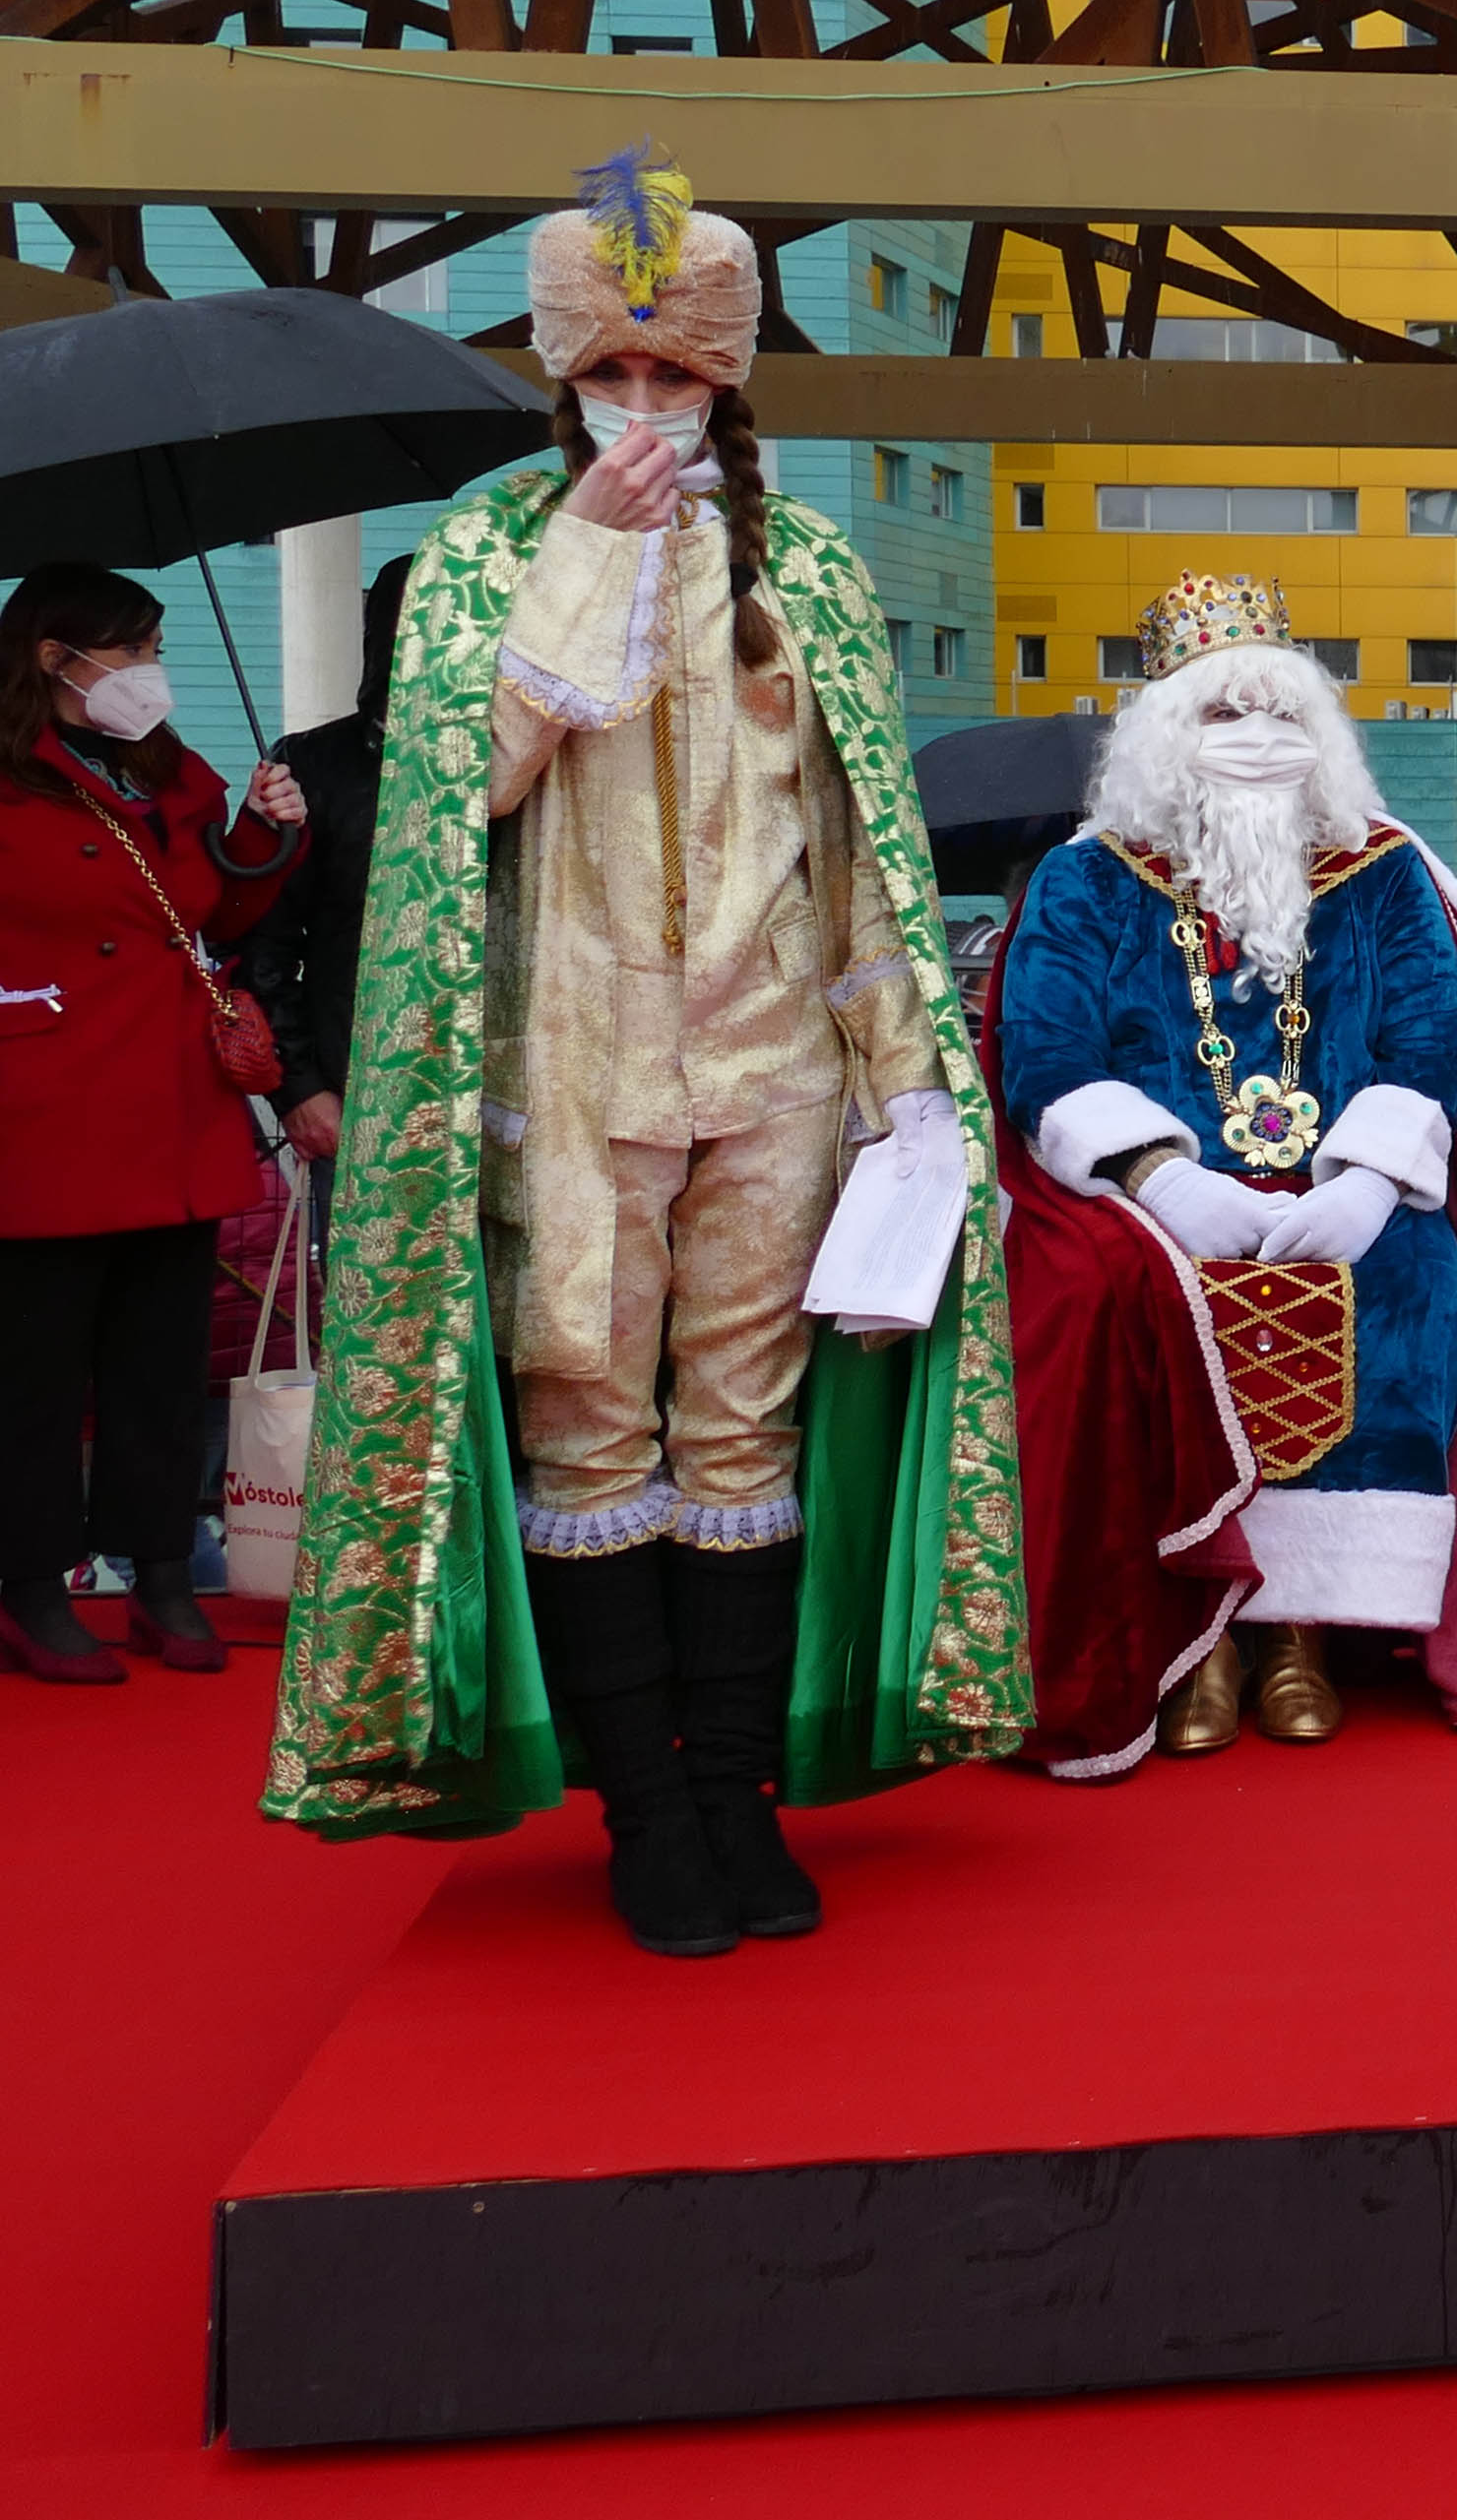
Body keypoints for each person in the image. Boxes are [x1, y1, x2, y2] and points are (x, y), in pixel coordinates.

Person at [264, 145, 1024, 1956]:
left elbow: (861, 853)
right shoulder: (480, 559)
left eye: (676, 378)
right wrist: (584, 561)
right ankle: (650, 1810)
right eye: (617, 375)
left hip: (778, 1083)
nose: (646, 407)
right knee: (593, 1436)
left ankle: (742, 1790)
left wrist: (910, 1084)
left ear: (728, 380)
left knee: (743, 1436)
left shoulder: (814, 573)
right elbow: (463, 793)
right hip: (572, 1082)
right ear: (565, 376)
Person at [987, 576, 1457, 1773]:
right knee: (1124, 1303)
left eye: (1279, 715)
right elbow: (1045, 1051)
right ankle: (1199, 1634)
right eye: (1221, 715)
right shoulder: (1088, 880)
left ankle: (1301, 1628)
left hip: (1344, 1184)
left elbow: (1422, 1039)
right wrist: (1160, 1178)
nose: (1255, 741)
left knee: (1412, 1292)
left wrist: (1364, 1187)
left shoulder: (1381, 874)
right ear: (1163, 737)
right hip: (1148, 1198)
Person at [0, 567, 307, 1683]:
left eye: (152, 649)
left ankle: (163, 1571)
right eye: (128, 652)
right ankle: (32, 1586)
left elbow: (213, 911)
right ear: (54, 658)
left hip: (171, 1105)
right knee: (36, 1374)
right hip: (43, 1110)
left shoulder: (160, 766)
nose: (146, 674)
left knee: (160, 1364)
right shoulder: (10, 774)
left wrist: (266, 836)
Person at [243, 553, 411, 1179]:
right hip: (357, 1092)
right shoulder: (311, 765)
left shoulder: (528, 763)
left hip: (508, 1101)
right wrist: (299, 1088)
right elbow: (263, 941)